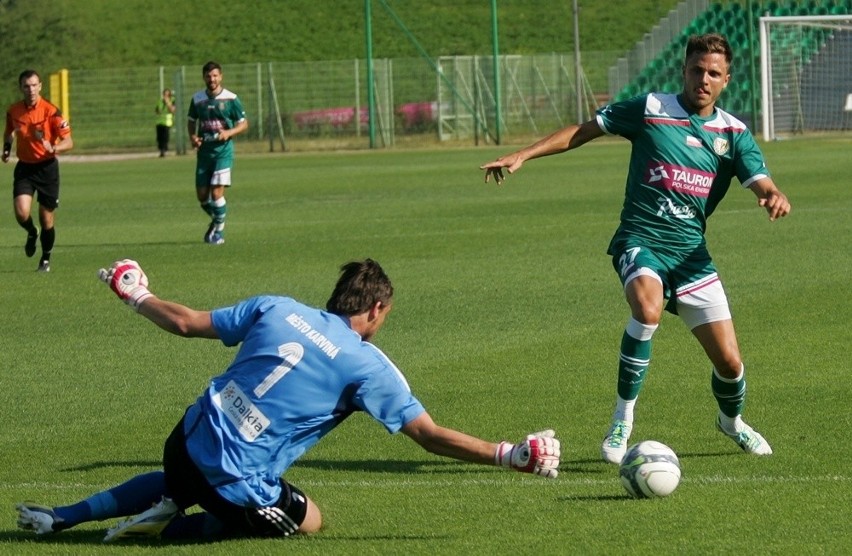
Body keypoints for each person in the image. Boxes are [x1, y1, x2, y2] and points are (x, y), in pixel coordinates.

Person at [16, 258, 560, 542]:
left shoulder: (276, 307)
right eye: (384, 317)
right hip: (235, 482)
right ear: (373, 311)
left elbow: (184, 323)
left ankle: (66, 515)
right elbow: (429, 436)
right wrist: (509, 453)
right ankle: (164, 527)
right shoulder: (367, 365)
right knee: (312, 520)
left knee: (185, 476)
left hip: (182, 441)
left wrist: (134, 291)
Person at [480, 33, 790, 464]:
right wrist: (522, 155)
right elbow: (584, 130)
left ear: (726, 80)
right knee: (647, 310)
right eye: (697, 69)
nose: (703, 78)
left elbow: (759, 178)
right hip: (640, 240)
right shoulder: (652, 109)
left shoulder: (733, 133)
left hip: (690, 256)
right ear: (684, 70)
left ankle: (731, 422)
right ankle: (622, 419)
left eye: (713, 73)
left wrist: (772, 194)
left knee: (731, 365)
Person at [2, 69, 74, 272]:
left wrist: (55, 147)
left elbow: (69, 141)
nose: (31, 89)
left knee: (46, 218)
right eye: (26, 86)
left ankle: (45, 258)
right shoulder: (14, 111)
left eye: (34, 85)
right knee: (21, 213)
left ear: (40, 86)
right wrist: (6, 149)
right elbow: (9, 133)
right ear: (21, 88)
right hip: (24, 167)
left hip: (47, 168)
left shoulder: (51, 111)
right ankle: (31, 232)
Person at [187, 61, 248, 245]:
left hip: (223, 152)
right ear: (204, 77)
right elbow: (191, 120)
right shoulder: (197, 99)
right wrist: (193, 137)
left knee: (216, 194)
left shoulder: (231, 99)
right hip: (204, 153)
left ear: (221, 76)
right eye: (208, 76)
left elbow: (244, 123)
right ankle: (217, 221)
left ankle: (218, 233)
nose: (211, 79)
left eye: (215, 75)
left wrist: (228, 133)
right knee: (202, 197)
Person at [155, 88, 176, 157]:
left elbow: (172, 110)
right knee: (159, 138)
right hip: (159, 122)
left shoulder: (172, 101)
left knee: (165, 137)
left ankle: (164, 150)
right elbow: (157, 111)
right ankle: (161, 150)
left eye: (167, 95)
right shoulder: (160, 101)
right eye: (164, 94)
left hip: (167, 122)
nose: (165, 96)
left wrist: (167, 103)